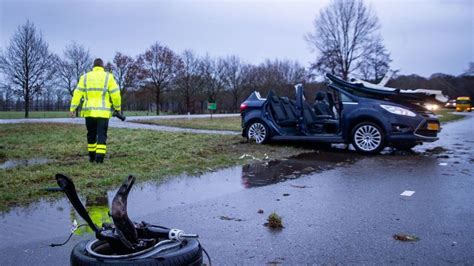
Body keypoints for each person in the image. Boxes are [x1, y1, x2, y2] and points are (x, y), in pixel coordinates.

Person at [70, 58, 121, 163]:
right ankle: (99, 159)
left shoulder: (85, 77)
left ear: (93, 67)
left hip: (89, 112)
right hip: (103, 113)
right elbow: (116, 94)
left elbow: (77, 93)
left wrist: (73, 108)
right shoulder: (109, 77)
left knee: (91, 134)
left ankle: (92, 157)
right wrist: (117, 108)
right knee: (102, 135)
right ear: (103, 67)